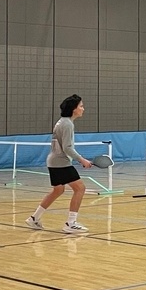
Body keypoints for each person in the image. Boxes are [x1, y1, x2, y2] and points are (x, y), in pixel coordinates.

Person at [27, 94, 93, 234]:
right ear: (74, 109)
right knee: (80, 188)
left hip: (53, 161)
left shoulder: (62, 121)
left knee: (58, 190)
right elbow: (67, 148)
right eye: (81, 106)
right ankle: (71, 223)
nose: (83, 109)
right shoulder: (67, 124)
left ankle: (34, 218)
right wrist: (82, 160)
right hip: (60, 162)